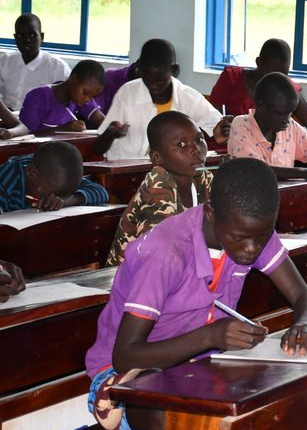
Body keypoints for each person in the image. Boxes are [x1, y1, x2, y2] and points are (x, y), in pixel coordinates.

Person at [84, 158, 307, 430]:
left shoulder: (249, 228)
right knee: (172, 409)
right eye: (241, 239)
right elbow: (126, 356)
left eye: (262, 237)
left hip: (198, 371)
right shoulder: (166, 252)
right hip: (120, 384)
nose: (252, 249)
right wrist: (210, 336)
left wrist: (306, 322)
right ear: (211, 213)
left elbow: (304, 296)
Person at [208, 38, 307, 163]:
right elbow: (210, 118)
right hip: (230, 152)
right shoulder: (231, 79)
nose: (278, 79)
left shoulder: (286, 90)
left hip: (272, 156)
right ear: (258, 62)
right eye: (271, 72)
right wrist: (223, 126)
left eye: (284, 74)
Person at [106, 111, 214, 266]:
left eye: (199, 139)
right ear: (157, 158)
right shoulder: (158, 186)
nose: (196, 149)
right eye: (181, 144)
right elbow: (161, 254)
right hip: (134, 279)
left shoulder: (203, 178)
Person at [95, 39, 230, 160]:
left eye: (160, 81)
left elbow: (218, 130)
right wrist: (110, 134)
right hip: (127, 174)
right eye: (148, 79)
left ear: (174, 70)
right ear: (139, 69)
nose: (153, 86)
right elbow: (98, 148)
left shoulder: (188, 98)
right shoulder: (128, 93)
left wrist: (223, 131)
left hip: (171, 176)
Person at [227, 72, 307, 188]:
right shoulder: (242, 126)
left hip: (284, 199)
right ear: (260, 107)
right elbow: (256, 169)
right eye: (281, 114)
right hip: (248, 200)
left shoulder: (289, 127)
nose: (287, 119)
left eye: (291, 113)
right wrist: (306, 172)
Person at [0, 140, 109, 212]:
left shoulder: (62, 178)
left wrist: (68, 200)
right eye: (46, 193)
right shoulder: (5, 180)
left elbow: (101, 192)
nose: (50, 199)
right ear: (31, 172)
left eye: (59, 196)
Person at [0, 13, 70, 110]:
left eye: (32, 35)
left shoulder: (57, 68)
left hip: (38, 122)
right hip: (5, 117)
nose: (27, 40)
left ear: (41, 36)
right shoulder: (5, 61)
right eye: (21, 35)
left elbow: (66, 105)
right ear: (15, 38)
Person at [19, 59, 107, 133]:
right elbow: (25, 135)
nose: (87, 99)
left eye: (92, 97)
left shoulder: (79, 98)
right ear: (74, 79)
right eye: (86, 92)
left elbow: (100, 119)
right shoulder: (39, 96)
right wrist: (64, 129)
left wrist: (113, 127)